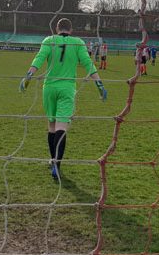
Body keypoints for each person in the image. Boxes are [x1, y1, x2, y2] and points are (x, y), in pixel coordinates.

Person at [19, 18, 106, 180]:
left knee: (52, 126)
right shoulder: (78, 42)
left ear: (56, 28)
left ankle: (53, 161)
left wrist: (28, 76)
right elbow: (88, 64)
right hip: (67, 89)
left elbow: (38, 59)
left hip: (49, 88)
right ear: (71, 30)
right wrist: (99, 84)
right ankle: (57, 165)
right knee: (61, 127)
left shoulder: (49, 40)